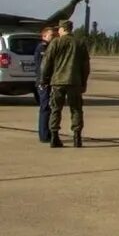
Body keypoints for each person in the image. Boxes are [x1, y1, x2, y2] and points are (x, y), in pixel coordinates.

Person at [40, 19, 90, 148]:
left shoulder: (55, 42)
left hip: (57, 81)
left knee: (56, 109)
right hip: (75, 81)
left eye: (59, 29)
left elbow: (46, 63)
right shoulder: (79, 43)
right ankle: (77, 137)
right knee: (76, 109)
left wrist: (44, 79)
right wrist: (83, 82)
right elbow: (86, 66)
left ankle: (54, 136)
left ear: (62, 29)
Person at [33, 26, 56, 143]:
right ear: (44, 36)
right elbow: (42, 67)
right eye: (51, 35)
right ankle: (44, 135)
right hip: (44, 82)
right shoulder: (43, 48)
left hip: (47, 81)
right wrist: (43, 81)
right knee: (45, 108)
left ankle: (47, 132)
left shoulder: (49, 47)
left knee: (48, 108)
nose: (53, 37)